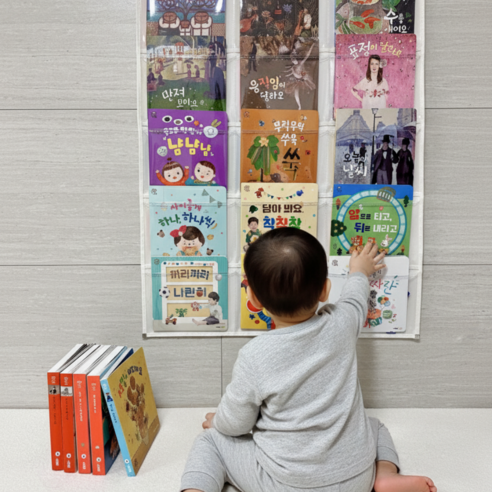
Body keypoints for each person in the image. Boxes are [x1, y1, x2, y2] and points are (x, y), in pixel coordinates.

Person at [181, 228, 437, 492]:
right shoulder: (342, 322)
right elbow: (355, 297)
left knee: (209, 442)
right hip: (358, 478)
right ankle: (384, 475)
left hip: (285, 484)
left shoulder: (254, 355)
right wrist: (359, 270)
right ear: (325, 290)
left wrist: (220, 423)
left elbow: (238, 422)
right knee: (374, 425)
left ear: (253, 299)